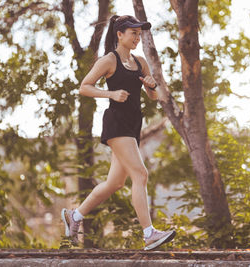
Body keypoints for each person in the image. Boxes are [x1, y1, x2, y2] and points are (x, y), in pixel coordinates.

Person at [61, 15, 175, 250]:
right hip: (116, 123)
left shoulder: (140, 62)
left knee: (114, 183)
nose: (137, 37)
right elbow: (84, 87)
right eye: (133, 33)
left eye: (139, 34)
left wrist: (152, 86)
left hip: (133, 125)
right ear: (119, 34)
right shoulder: (108, 61)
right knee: (140, 174)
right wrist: (110, 94)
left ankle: (75, 216)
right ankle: (149, 233)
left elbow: (153, 97)